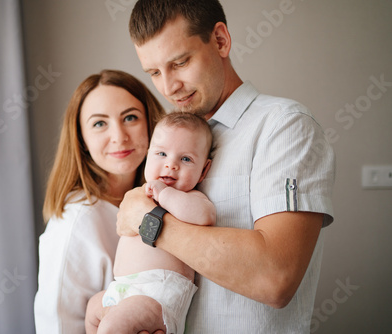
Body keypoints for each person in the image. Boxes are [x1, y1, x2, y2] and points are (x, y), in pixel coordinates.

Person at [116, 0, 336, 333]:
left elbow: (275, 277)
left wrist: (149, 221)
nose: (167, 86)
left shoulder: (285, 127)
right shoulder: (170, 143)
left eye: (180, 62)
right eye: (154, 72)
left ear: (220, 40)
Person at [34, 69, 166, 334]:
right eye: (99, 123)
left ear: (151, 123)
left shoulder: (160, 202)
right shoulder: (76, 221)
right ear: (81, 139)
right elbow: (57, 326)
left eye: (130, 118)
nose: (119, 136)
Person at [85, 112, 215, 334]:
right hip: (122, 289)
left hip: (158, 294)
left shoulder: (191, 198)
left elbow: (205, 216)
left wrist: (165, 195)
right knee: (93, 308)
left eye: (185, 159)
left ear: (203, 171)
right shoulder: (139, 195)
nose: (170, 165)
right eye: (161, 154)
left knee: (113, 326)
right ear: (148, 156)